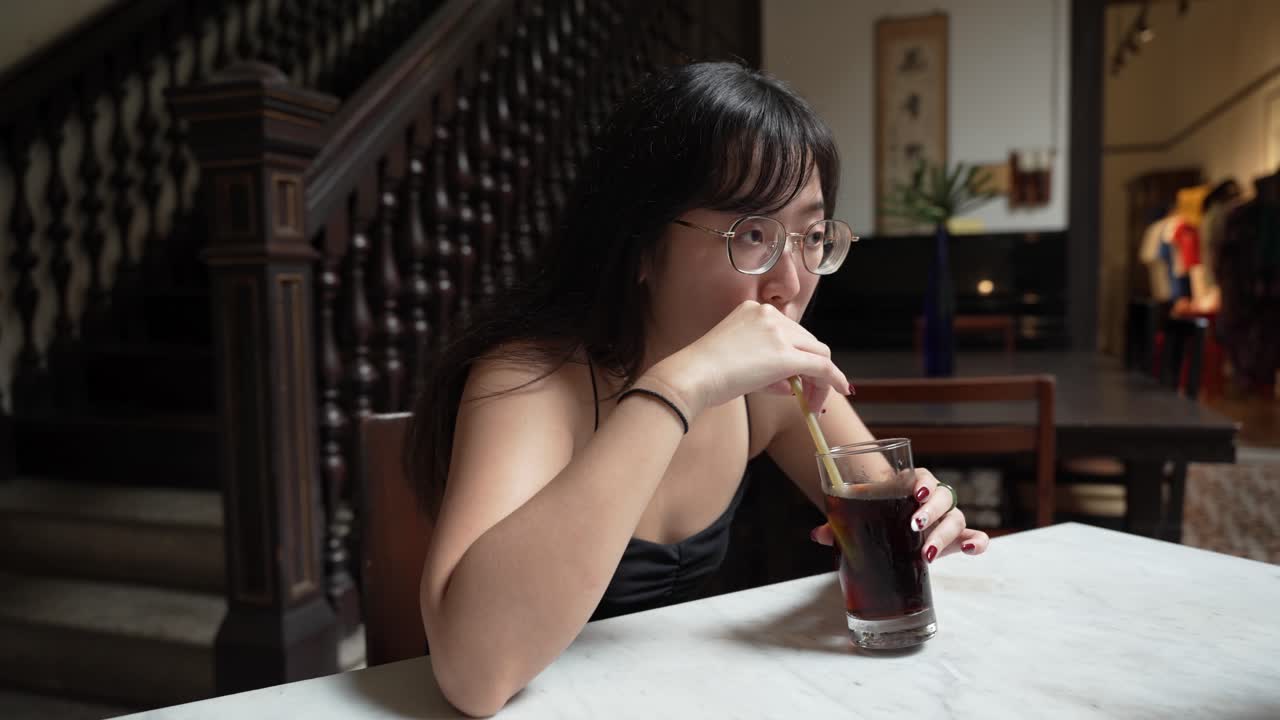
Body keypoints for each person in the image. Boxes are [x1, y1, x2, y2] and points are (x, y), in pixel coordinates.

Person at [408, 61, 990, 717]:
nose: (790, 284)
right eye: (752, 235)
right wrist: (679, 387)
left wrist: (926, 520)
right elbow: (473, 676)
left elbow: (880, 512)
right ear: (639, 244)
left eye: (810, 236)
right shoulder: (529, 382)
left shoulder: (771, 393)